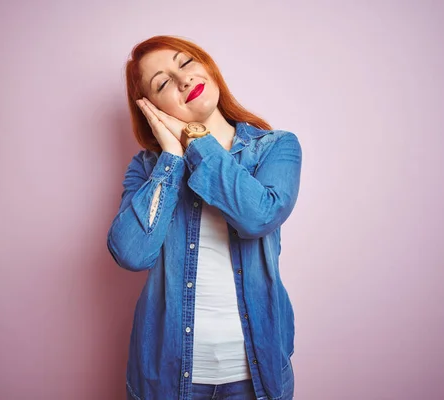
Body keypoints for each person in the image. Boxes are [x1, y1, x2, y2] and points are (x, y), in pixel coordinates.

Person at [106, 35, 302, 400]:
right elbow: (131, 254)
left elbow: (257, 217)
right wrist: (170, 158)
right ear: (152, 108)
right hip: (165, 379)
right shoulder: (148, 168)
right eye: (162, 83)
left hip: (257, 377)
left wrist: (194, 140)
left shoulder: (275, 148)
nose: (182, 80)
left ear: (207, 66)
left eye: (185, 63)